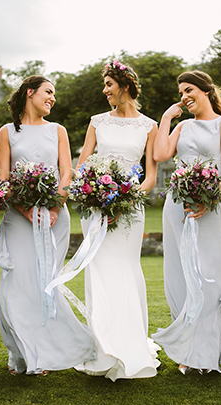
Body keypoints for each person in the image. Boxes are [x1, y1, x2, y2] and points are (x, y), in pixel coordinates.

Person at [0, 75, 95, 375]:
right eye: (48, 92)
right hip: (18, 218)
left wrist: (55, 207)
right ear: (30, 93)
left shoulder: (58, 130)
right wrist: (26, 209)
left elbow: (67, 171)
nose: (53, 98)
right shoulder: (6, 132)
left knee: (44, 284)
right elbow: (3, 178)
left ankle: (45, 353)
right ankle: (21, 354)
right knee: (16, 285)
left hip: (54, 218)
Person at [151, 71, 221, 375]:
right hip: (177, 209)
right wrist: (167, 118)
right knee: (181, 277)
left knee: (210, 278)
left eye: (189, 90)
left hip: (212, 210)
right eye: (180, 92)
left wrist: (209, 199)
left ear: (206, 90)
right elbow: (160, 154)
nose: (184, 97)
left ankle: (205, 354)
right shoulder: (182, 126)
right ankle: (189, 349)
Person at [74, 60, 160, 381]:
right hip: (96, 208)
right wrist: (96, 195)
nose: (105, 90)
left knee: (125, 269)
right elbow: (83, 165)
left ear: (124, 86)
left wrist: (126, 198)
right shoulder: (97, 122)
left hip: (129, 209)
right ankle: (103, 348)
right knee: (99, 273)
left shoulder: (148, 126)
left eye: (109, 84)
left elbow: (150, 176)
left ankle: (129, 343)